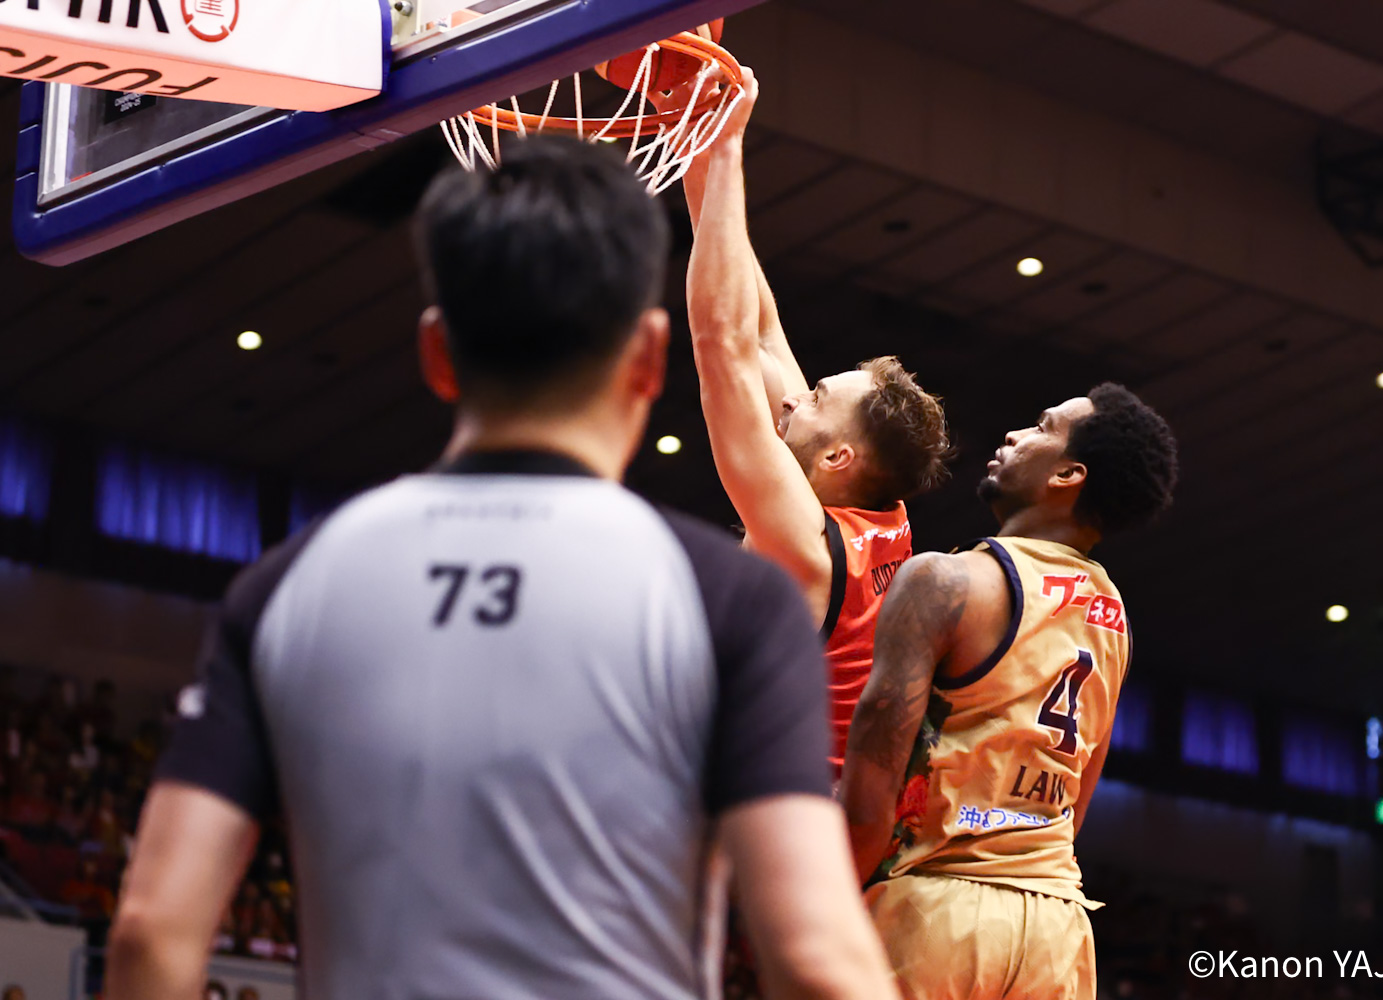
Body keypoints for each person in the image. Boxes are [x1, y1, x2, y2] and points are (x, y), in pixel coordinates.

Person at [104, 137, 894, 1000]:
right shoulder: (726, 597)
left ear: (437, 351)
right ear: (649, 357)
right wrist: (720, 150)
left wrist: (721, 153)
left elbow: (150, 932)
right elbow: (816, 961)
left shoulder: (289, 582)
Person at [842, 384, 1179, 1000]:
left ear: (1067, 475)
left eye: (1041, 428)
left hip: (936, 908)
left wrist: (821, 910)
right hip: (1058, 926)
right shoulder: (1114, 618)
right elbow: (1076, 803)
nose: (1015, 435)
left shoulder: (945, 581)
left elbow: (870, 794)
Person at [679, 68, 952, 774]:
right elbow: (758, 333)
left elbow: (721, 345)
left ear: (838, 458)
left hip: (787, 805)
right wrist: (698, 136)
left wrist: (729, 146)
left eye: (814, 399)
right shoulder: (870, 504)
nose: (793, 398)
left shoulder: (808, 544)